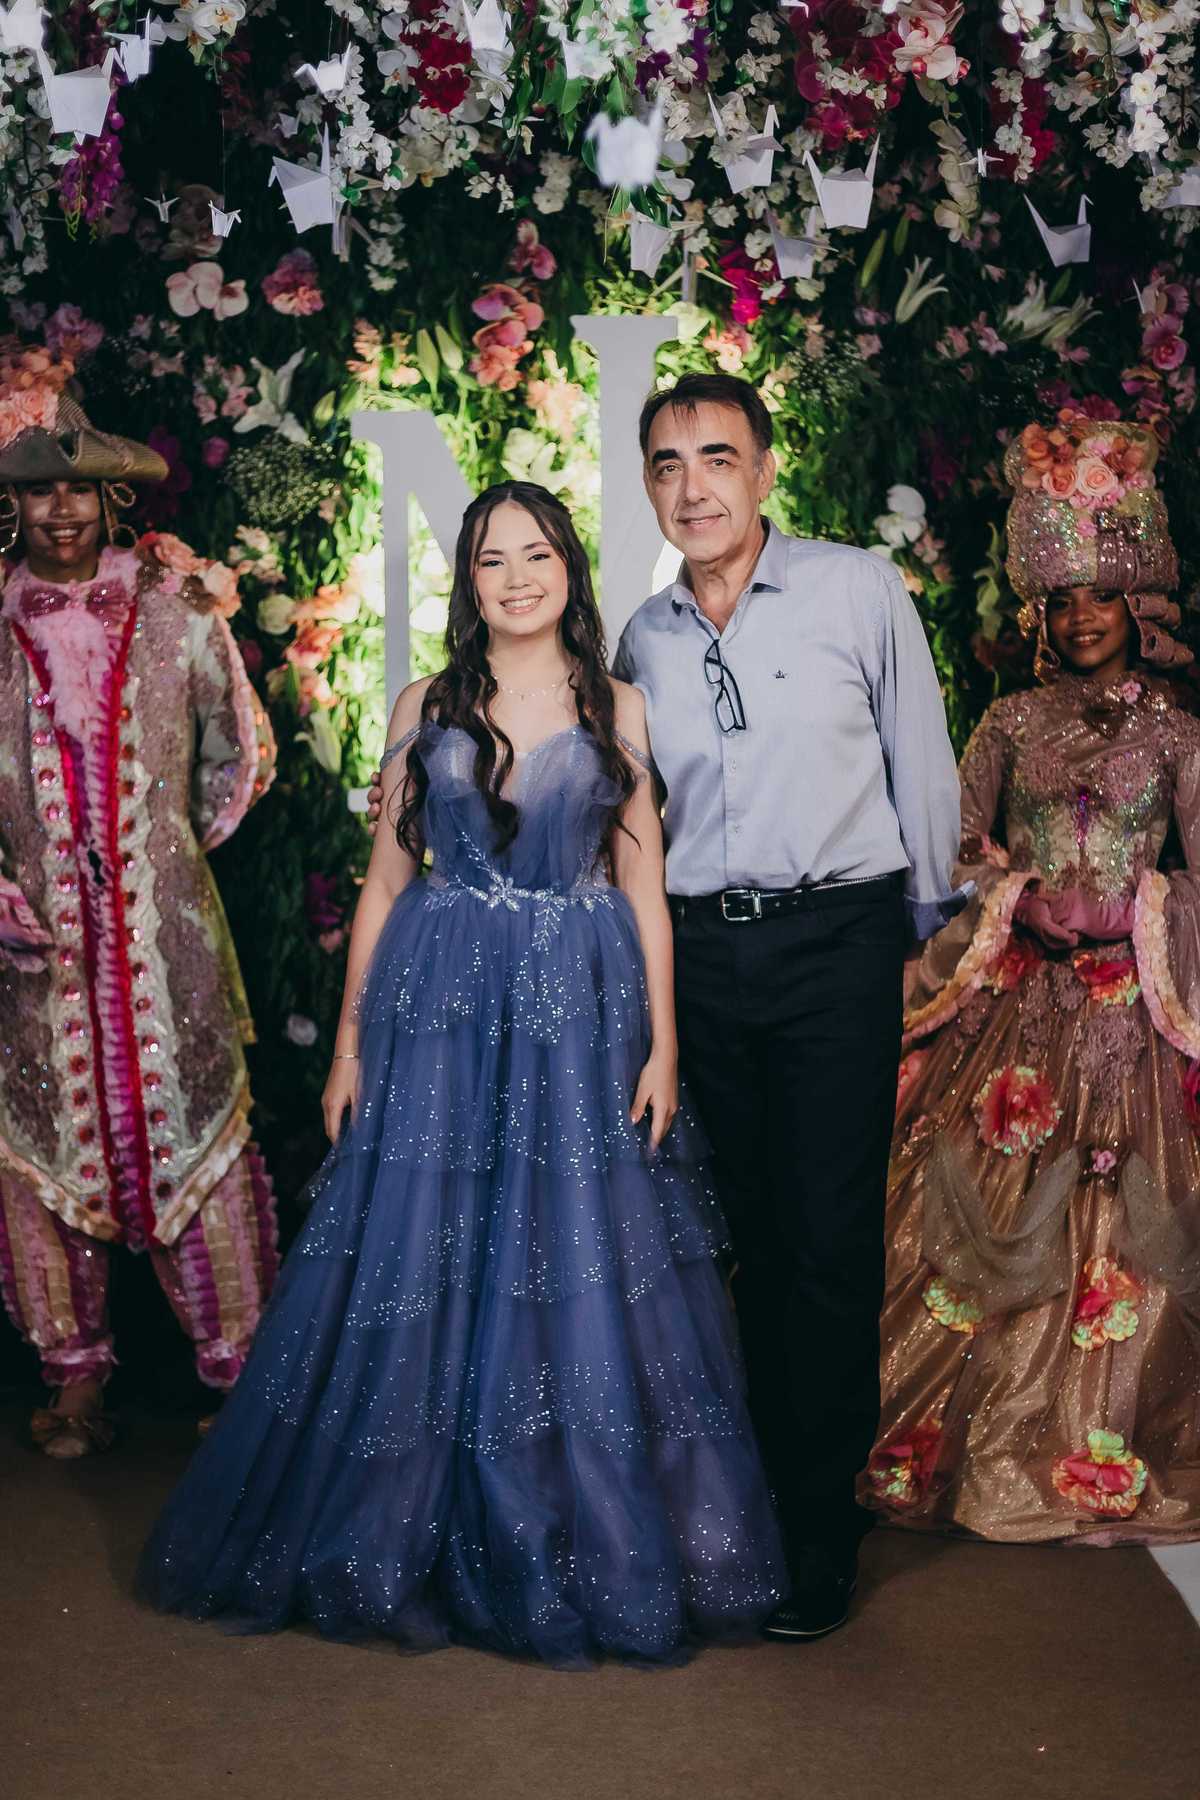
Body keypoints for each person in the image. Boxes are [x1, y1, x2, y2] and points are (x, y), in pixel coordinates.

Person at [139, 481, 785, 1667]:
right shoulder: (425, 703)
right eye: (493, 559)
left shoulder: (619, 704)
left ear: (569, 570)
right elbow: (386, 888)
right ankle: (402, 1526)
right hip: (439, 1008)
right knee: (427, 1246)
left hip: (580, 1011)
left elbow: (644, 888)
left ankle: (570, 1529)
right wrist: (348, 1051)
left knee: (573, 1248)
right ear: (468, 580)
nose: (517, 577)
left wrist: (663, 1047)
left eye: (538, 555)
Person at [613, 372, 963, 1638]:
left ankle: (820, 1525)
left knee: (826, 1240)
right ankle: (751, 1498)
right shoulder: (643, 637)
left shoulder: (855, 589)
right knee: (741, 1236)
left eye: (718, 457)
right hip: (704, 954)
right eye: (668, 464)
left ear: (764, 471)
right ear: (647, 486)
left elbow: (921, 757)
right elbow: (636, 823)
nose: (693, 485)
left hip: (836, 939)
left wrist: (919, 934)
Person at [865, 410, 1200, 1544]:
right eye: (1062, 599)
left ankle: (1103, 1439)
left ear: (1140, 604)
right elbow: (949, 854)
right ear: (1037, 613)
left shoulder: (1179, 736)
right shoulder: (1006, 723)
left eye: (1102, 595)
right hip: (1019, 1009)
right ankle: (984, 1438)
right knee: (983, 1217)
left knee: (1124, 1228)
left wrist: (1139, 902)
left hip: (1137, 1015)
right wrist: (1018, 894)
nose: (1083, 615)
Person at [0, 348, 278, 1458]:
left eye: (77, 488)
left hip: (165, 944)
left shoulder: (175, 606)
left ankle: (240, 1370)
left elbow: (238, 749)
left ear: (110, 495)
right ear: (12, 506)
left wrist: (161, 855)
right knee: (39, 1148)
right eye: (36, 491)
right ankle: (73, 1375)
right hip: (34, 953)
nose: (60, 510)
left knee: (199, 1130)